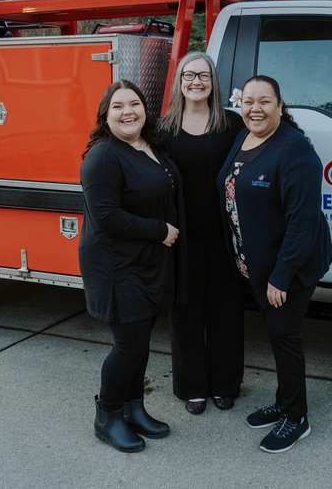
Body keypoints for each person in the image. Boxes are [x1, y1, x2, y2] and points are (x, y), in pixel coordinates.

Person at [218, 75, 332, 454]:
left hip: (289, 267)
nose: (255, 108)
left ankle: (296, 417)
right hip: (259, 263)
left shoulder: (295, 151)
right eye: (248, 101)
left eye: (265, 101)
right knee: (276, 334)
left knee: (285, 337)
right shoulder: (246, 137)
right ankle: (285, 402)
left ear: (280, 106)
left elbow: (303, 222)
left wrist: (280, 277)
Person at [79, 79, 186, 453]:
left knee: (139, 342)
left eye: (135, 104)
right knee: (128, 345)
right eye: (119, 107)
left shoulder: (149, 145)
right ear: (106, 116)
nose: (128, 112)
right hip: (115, 266)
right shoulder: (103, 156)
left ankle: (134, 408)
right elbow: (106, 215)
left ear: (145, 109)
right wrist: (161, 231)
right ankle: (107, 416)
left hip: (146, 261)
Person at [160, 51, 245, 415]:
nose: (197, 82)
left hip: (226, 236)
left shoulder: (233, 124)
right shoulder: (163, 129)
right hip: (182, 238)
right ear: (180, 82)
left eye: (204, 75)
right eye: (189, 75)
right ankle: (192, 387)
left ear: (214, 82)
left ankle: (226, 384)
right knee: (186, 313)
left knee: (227, 311)